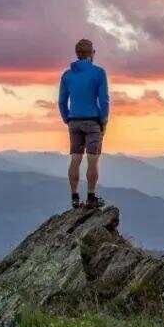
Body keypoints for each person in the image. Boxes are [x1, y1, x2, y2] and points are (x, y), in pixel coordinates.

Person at [58, 39, 110, 209]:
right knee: (93, 159)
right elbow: (104, 100)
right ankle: (91, 197)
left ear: (77, 54)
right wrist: (104, 119)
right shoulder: (99, 73)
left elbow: (62, 101)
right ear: (91, 54)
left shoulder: (67, 75)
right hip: (93, 121)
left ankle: (74, 197)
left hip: (74, 121)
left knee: (75, 158)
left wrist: (67, 118)